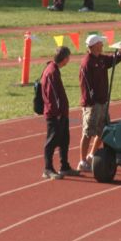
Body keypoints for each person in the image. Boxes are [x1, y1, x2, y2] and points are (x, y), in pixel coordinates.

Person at [77, 34, 121, 172]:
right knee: (88, 133)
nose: (103, 45)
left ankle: (91, 155)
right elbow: (86, 86)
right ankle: (82, 161)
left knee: (103, 131)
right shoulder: (87, 63)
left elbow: (114, 59)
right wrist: (93, 102)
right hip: (93, 105)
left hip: (102, 103)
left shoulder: (100, 59)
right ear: (93, 46)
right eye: (100, 43)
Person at [41, 46, 74, 179]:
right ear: (65, 58)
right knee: (52, 141)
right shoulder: (52, 72)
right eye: (69, 57)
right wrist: (59, 112)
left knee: (64, 139)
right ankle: (48, 169)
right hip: (55, 114)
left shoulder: (54, 69)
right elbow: (53, 95)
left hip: (61, 113)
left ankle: (64, 166)